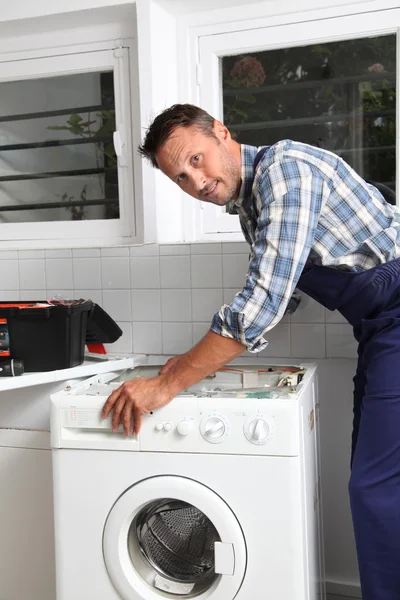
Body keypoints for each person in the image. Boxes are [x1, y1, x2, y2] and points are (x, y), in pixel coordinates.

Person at [102, 103, 400, 599]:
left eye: (197, 159)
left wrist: (167, 382)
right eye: (180, 177)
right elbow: (280, 299)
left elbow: (259, 307)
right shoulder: (250, 207)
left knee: (376, 490)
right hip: (376, 327)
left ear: (222, 132)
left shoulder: (286, 173)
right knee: (374, 482)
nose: (196, 181)